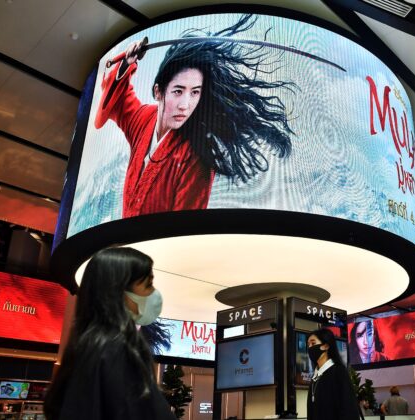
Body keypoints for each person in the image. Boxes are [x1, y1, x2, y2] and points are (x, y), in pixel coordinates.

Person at [95, 14, 294, 218]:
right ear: (158, 92)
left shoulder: (197, 158)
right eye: (178, 91)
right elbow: (119, 101)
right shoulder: (144, 118)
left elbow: (182, 229)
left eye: (195, 92)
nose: (185, 105)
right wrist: (127, 63)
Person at [44, 247, 174, 420]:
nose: (153, 294)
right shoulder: (118, 350)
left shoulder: (86, 345)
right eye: (148, 285)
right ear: (118, 291)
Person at [306, 328, 360, 420]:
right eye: (308, 345)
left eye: (313, 343)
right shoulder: (315, 377)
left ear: (326, 346)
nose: (310, 348)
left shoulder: (338, 372)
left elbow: (348, 409)